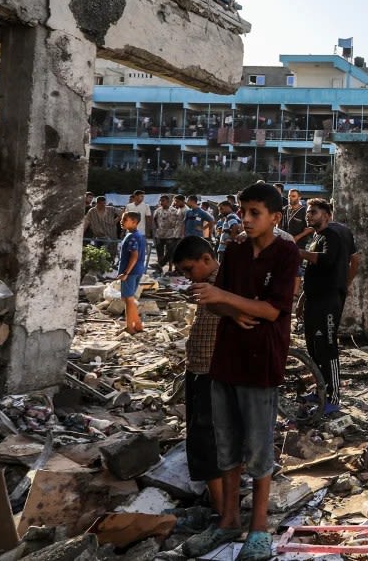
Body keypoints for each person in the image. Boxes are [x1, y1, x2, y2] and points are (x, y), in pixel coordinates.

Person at [190, 183, 300, 561]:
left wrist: (224, 299)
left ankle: (259, 528)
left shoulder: (286, 253)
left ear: (274, 217)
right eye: (244, 211)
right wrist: (233, 309)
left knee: (258, 450)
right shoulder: (234, 252)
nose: (247, 219)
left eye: (255, 213)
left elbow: (272, 310)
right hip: (226, 360)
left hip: (262, 364)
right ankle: (228, 520)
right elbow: (217, 304)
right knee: (228, 448)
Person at [169, 236, 226, 557]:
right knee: (202, 438)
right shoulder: (208, 285)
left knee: (206, 441)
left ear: (206, 259)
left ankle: (222, 512)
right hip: (200, 369)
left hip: (211, 373)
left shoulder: (224, 285)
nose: (189, 275)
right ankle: (218, 504)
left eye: (190, 269)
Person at [298, 198, 350, 412]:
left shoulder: (332, 236)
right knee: (313, 347)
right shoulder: (316, 237)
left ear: (327, 215)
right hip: (314, 300)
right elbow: (313, 272)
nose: (308, 215)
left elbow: (327, 261)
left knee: (328, 348)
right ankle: (320, 388)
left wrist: (299, 252)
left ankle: (334, 398)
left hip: (328, 301)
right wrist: (303, 298)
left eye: (314, 212)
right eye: (308, 212)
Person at [117, 211, 147, 334]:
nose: (121, 221)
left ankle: (131, 326)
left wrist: (126, 273)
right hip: (137, 270)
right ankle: (138, 325)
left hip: (131, 272)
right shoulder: (138, 235)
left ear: (134, 222)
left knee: (128, 300)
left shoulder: (132, 237)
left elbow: (134, 256)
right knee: (127, 298)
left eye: (125, 219)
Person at [152, 194, 183, 275]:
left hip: (170, 234)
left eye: (163, 201)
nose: (161, 202)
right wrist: (156, 229)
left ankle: (170, 268)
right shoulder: (157, 210)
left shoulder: (174, 211)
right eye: (160, 201)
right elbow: (154, 220)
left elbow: (178, 223)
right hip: (159, 234)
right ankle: (159, 269)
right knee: (160, 253)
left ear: (168, 201)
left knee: (170, 252)